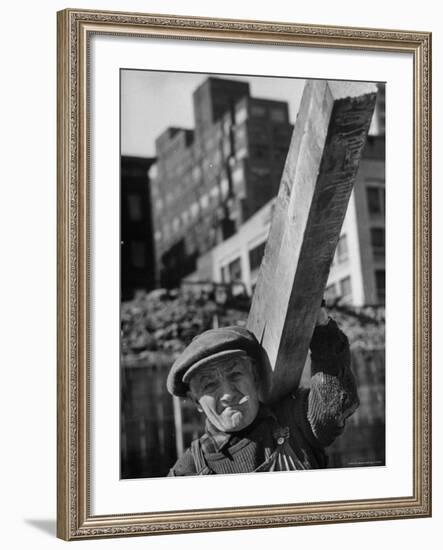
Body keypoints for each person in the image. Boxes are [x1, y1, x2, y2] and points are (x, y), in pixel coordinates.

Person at [166, 306, 359, 476]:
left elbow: (331, 408)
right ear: (195, 401)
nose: (228, 394)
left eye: (235, 374)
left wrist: (321, 326)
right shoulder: (188, 471)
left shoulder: (293, 420)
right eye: (209, 385)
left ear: (254, 376)